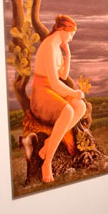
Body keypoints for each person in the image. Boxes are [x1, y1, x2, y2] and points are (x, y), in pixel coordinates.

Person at [31, 15, 86, 182]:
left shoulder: (57, 47)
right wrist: (75, 92)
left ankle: (49, 143)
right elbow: (55, 84)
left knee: (81, 107)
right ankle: (47, 162)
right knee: (68, 111)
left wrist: (68, 54)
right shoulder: (48, 46)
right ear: (62, 30)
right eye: (70, 34)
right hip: (41, 93)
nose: (71, 38)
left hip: (52, 90)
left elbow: (63, 74)